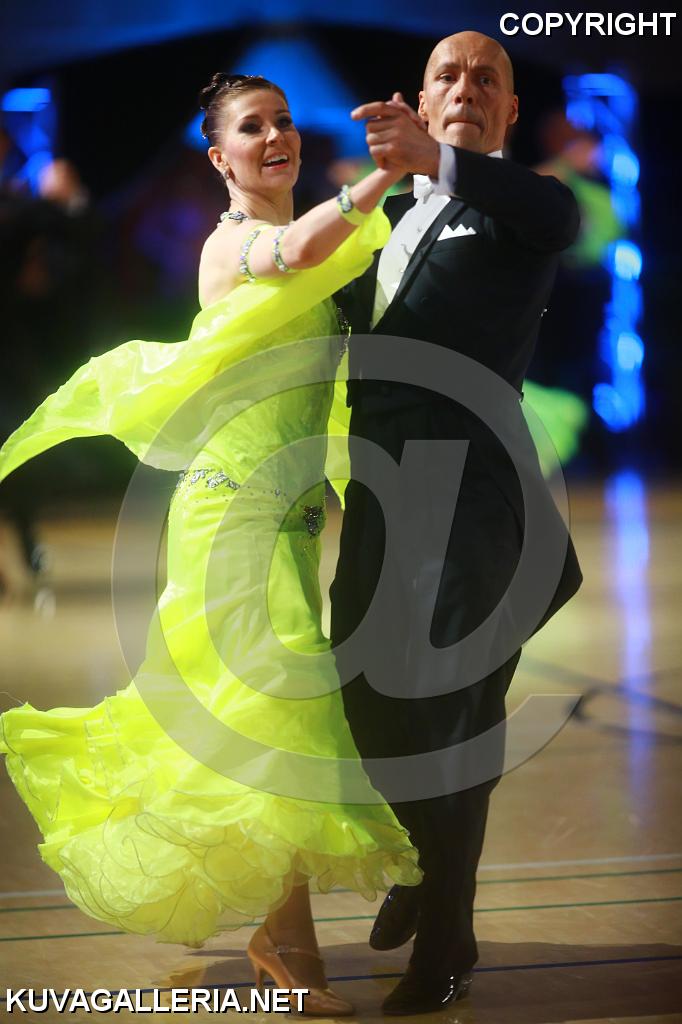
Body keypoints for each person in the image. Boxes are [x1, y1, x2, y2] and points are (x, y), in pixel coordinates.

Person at [0, 73, 423, 1016]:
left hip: (284, 525)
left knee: (271, 719)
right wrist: (382, 178)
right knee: (278, 714)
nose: (275, 137)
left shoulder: (313, 240)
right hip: (230, 524)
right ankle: (293, 946)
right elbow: (295, 249)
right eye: (251, 127)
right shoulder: (233, 245)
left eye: (284, 123)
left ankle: (282, 932)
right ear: (219, 157)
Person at [329, 32, 583, 1015]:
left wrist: (432, 157)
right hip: (380, 491)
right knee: (362, 700)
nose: (467, 88)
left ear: (509, 111)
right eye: (449, 76)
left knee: (446, 719)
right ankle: (424, 862)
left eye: (488, 79)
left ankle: (445, 941)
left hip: (472, 493)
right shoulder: (389, 217)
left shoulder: (524, 207)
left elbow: (551, 212)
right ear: (420, 96)